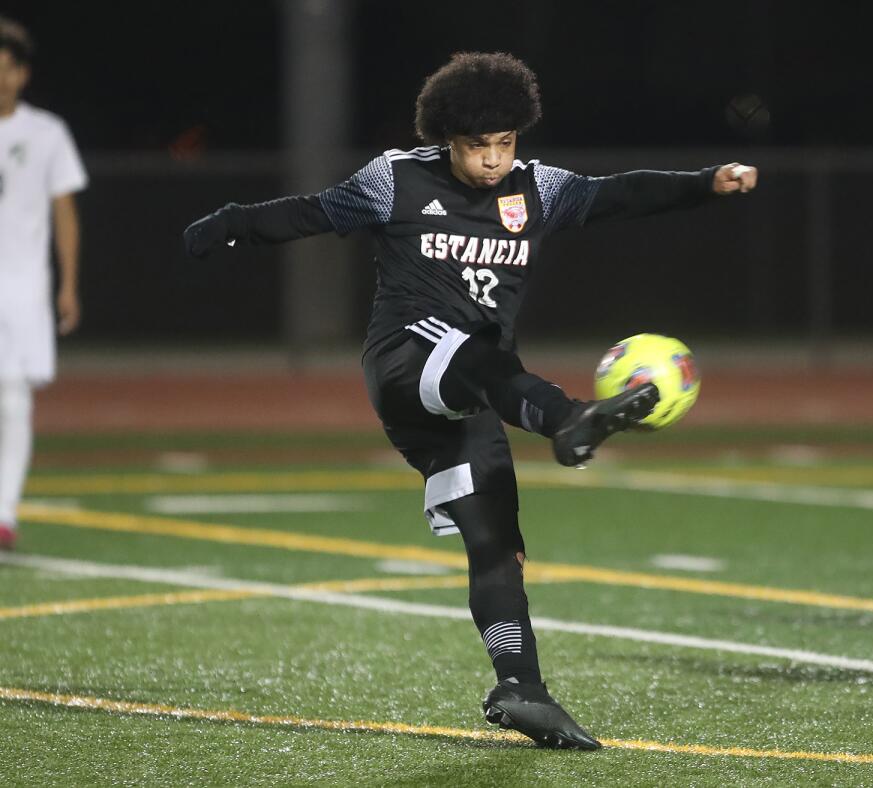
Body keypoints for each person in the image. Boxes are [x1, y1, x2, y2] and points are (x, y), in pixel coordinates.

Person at [184, 51, 758, 748]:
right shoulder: (394, 180)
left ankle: (523, 687)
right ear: (447, 138)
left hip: (476, 396)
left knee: (498, 551)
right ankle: (570, 418)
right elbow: (310, 212)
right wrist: (228, 223)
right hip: (405, 361)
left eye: (504, 144)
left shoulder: (537, 188)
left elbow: (620, 195)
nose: (492, 161)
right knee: (481, 354)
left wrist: (707, 183)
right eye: (477, 146)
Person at [0, 17, 86, 552]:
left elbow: (66, 213)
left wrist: (68, 285)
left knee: (14, 401)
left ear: (23, 74)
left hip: (23, 290)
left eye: (7, 69)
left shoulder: (48, 133)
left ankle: (4, 513)